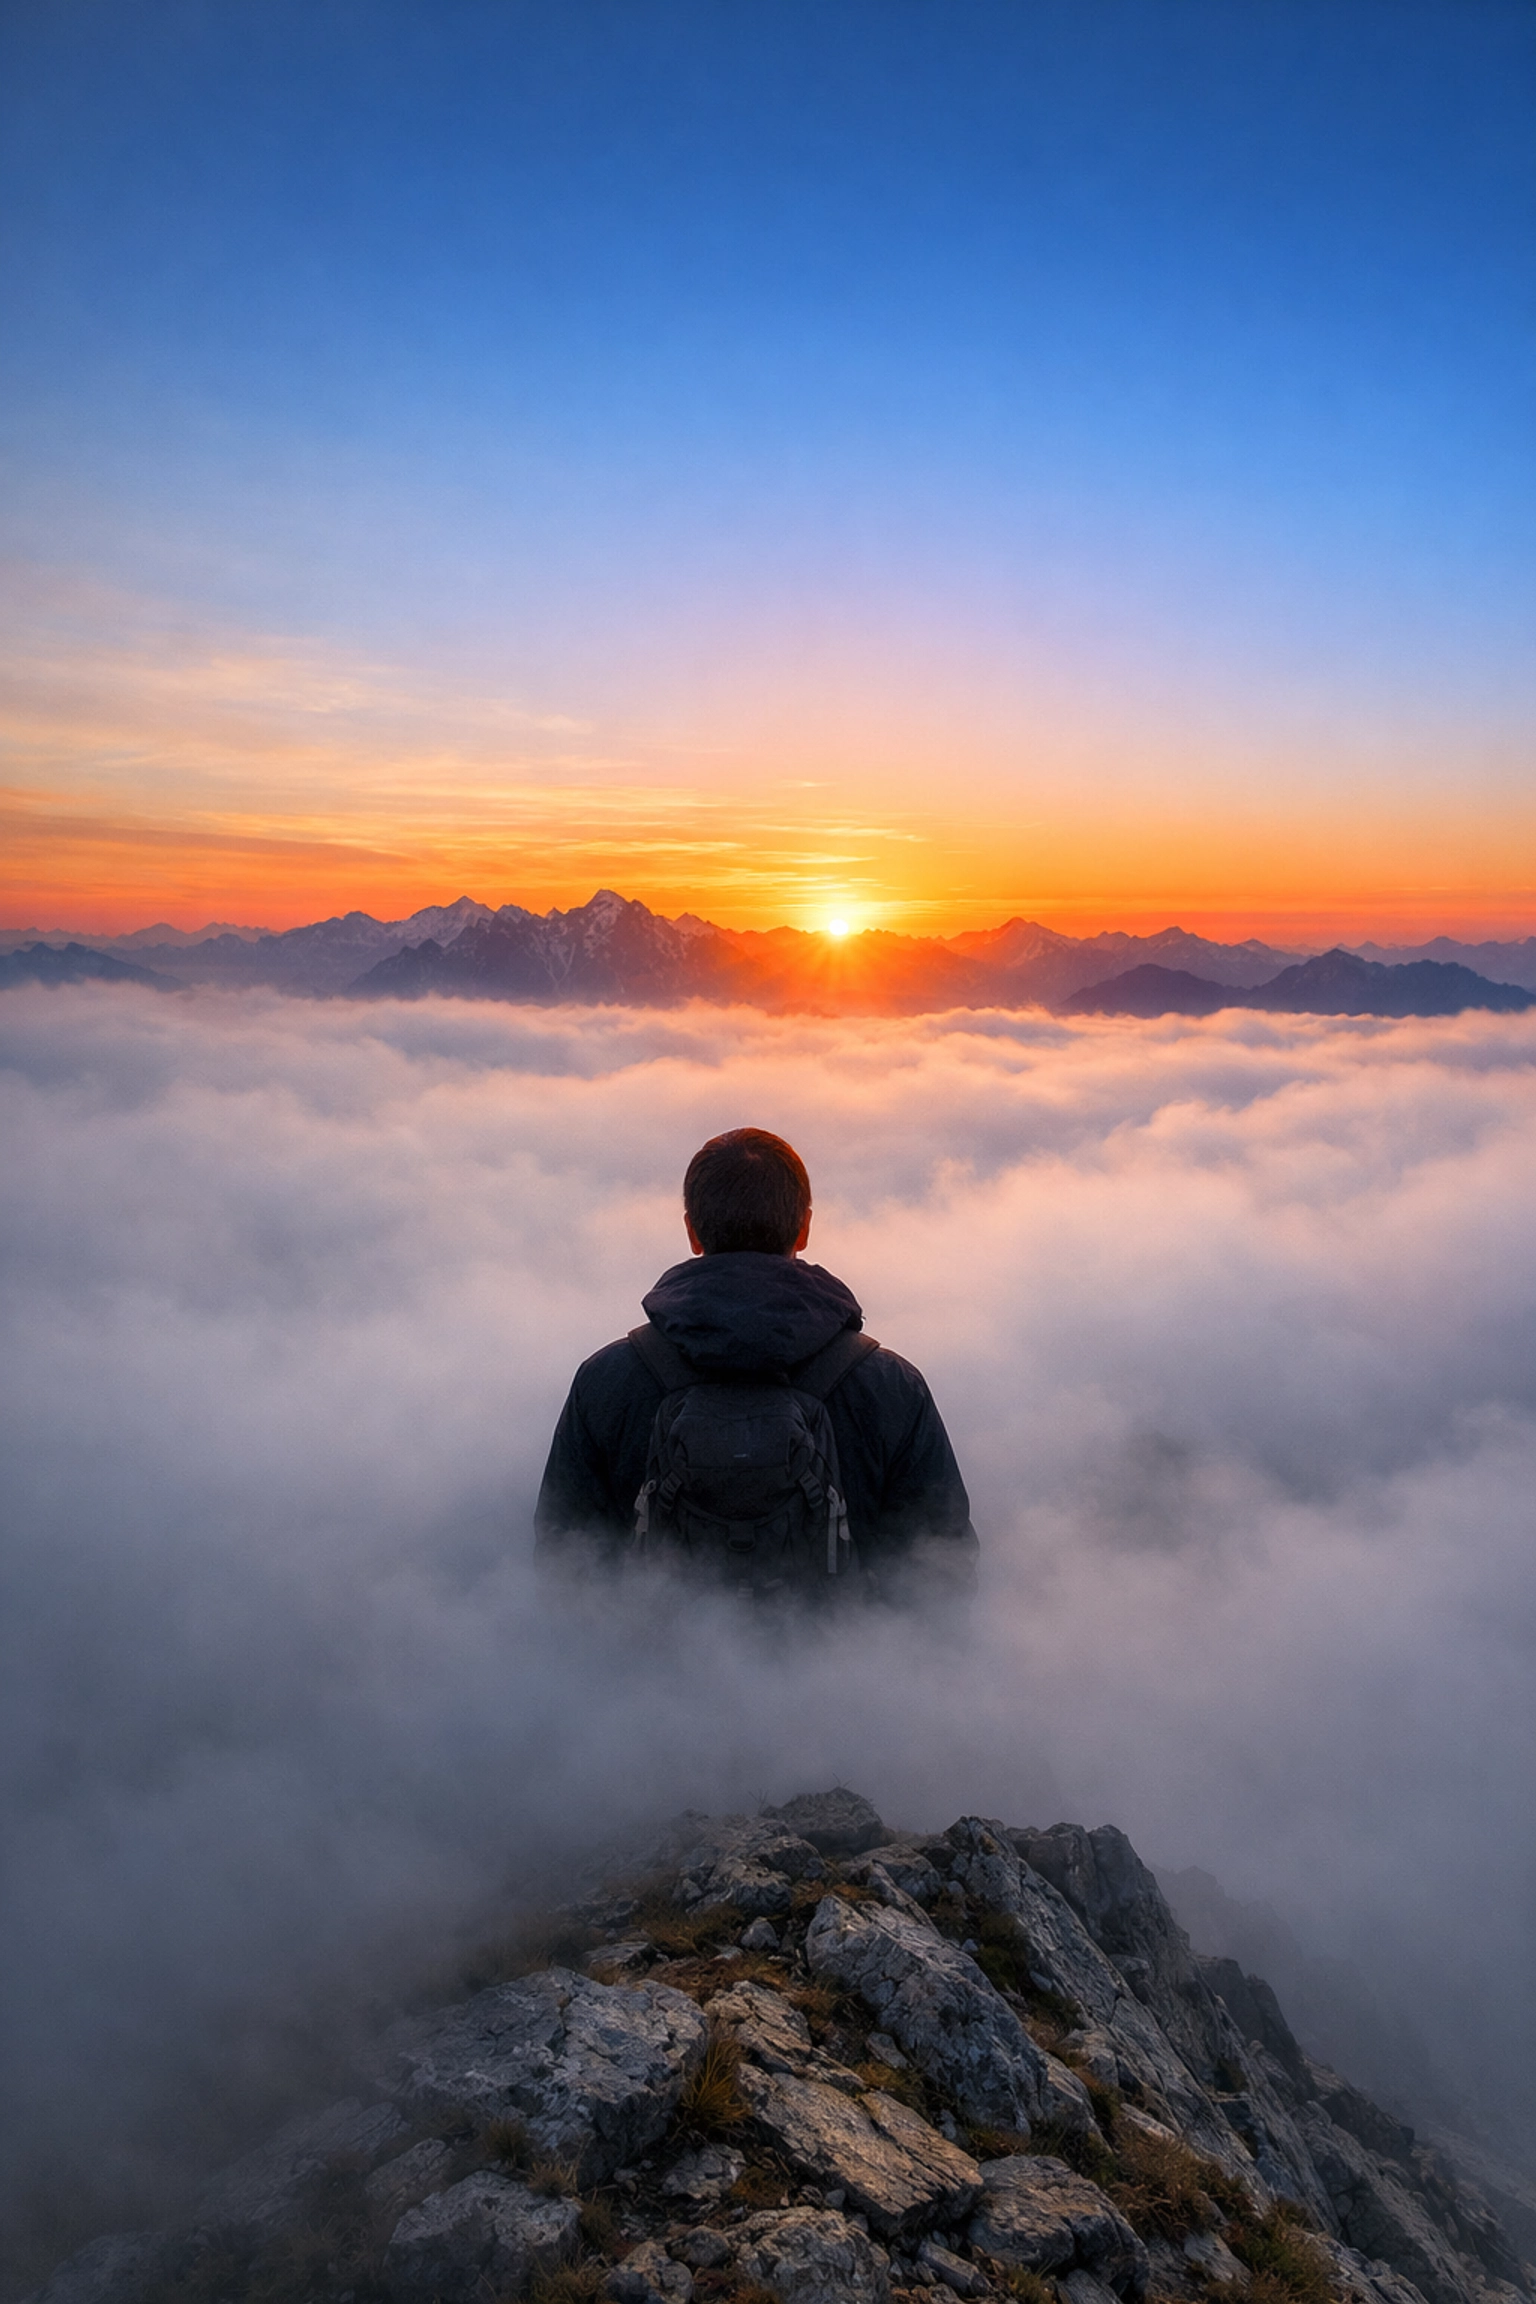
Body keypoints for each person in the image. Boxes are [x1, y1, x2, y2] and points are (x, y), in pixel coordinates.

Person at [535, 1127, 979, 1603]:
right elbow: (944, 1575)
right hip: (839, 1673)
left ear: (692, 1232)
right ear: (804, 1228)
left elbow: (563, 1570)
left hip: (652, 1670)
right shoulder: (890, 1386)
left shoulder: (607, 1381)